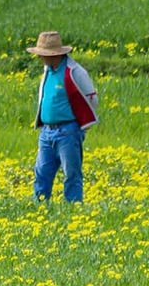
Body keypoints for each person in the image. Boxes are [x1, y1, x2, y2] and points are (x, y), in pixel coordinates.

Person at [27, 31, 99, 203]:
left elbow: (92, 98)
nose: (41, 58)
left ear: (55, 54)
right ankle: (40, 208)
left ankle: (73, 208)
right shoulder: (48, 71)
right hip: (46, 132)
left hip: (68, 131)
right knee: (42, 173)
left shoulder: (75, 72)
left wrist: (84, 122)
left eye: (44, 54)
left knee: (71, 174)